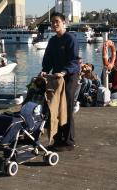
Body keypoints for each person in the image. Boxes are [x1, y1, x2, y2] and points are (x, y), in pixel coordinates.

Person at [41, 12, 80, 151]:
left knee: (67, 106)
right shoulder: (52, 41)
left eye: (57, 21)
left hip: (69, 76)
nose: (54, 24)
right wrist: (45, 70)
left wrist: (64, 71)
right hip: (56, 78)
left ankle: (69, 141)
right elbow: (48, 59)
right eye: (52, 22)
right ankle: (57, 139)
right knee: (54, 107)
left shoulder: (70, 38)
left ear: (64, 23)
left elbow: (75, 61)